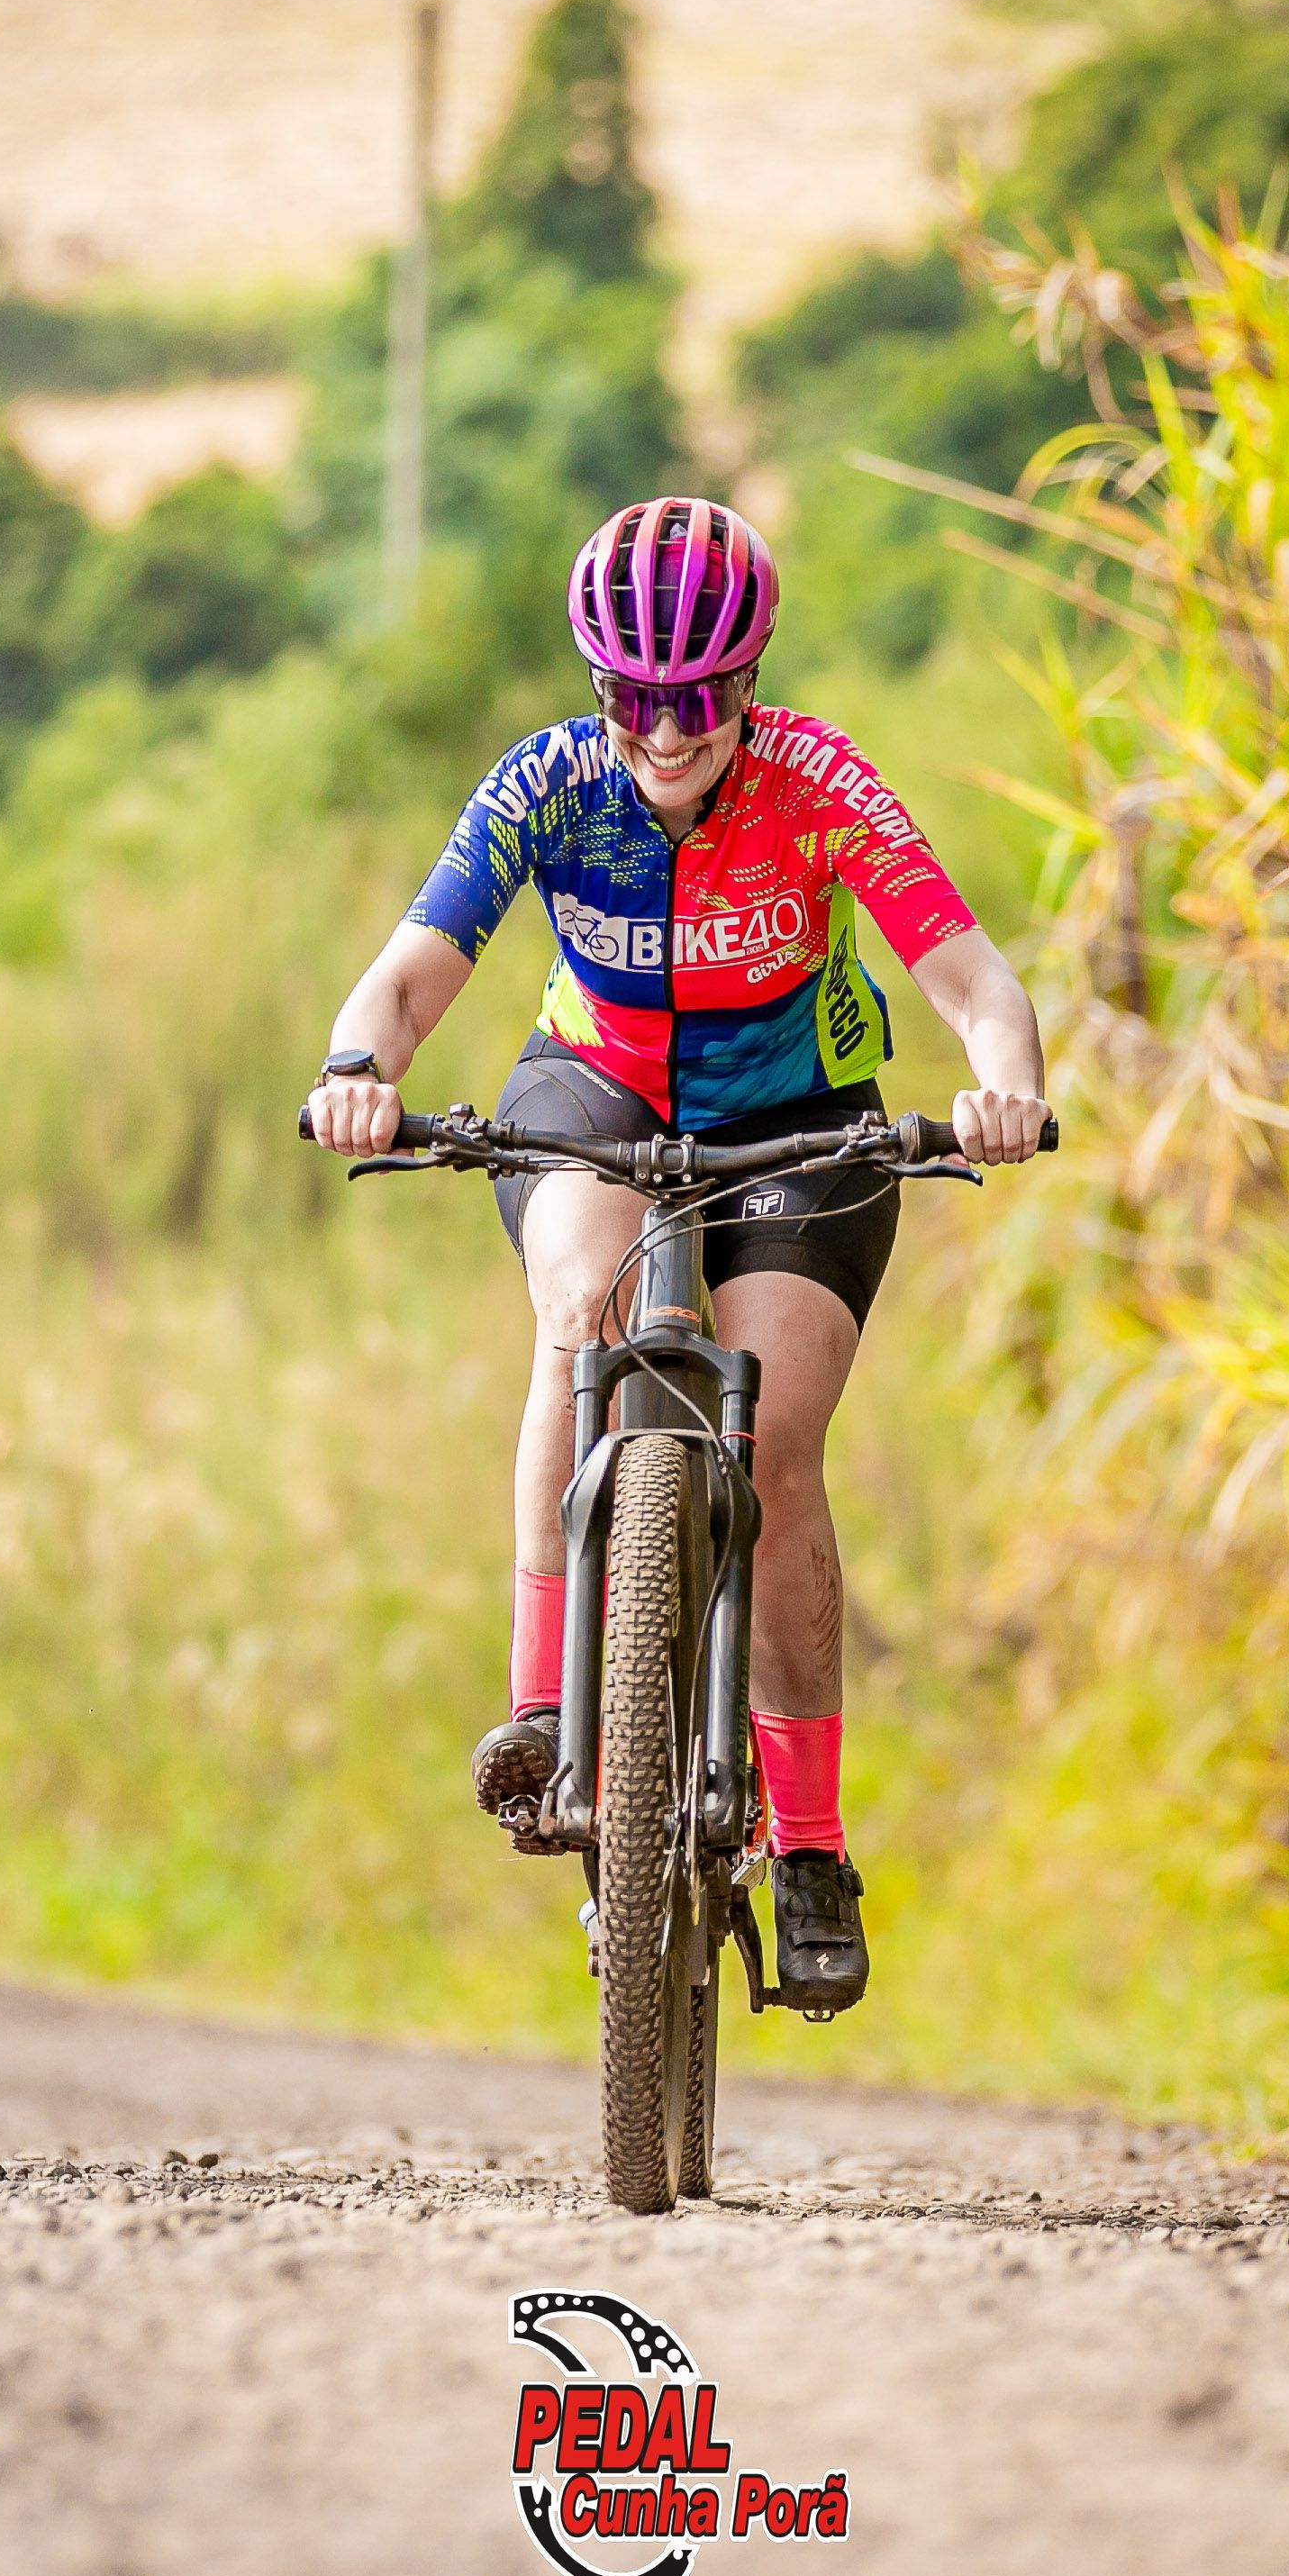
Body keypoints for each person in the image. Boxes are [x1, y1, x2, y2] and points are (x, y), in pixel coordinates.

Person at [304, 497, 1048, 2017]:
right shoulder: (549, 784)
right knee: (578, 1311)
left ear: (748, 680)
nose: (665, 730)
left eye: (698, 697)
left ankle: (812, 1846)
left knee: (774, 1437)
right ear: (599, 686)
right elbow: (408, 978)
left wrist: (1004, 1087)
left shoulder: (818, 782)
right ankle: (543, 1709)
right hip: (596, 1089)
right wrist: (357, 1070)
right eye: (634, 695)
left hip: (801, 1115)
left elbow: (973, 978)